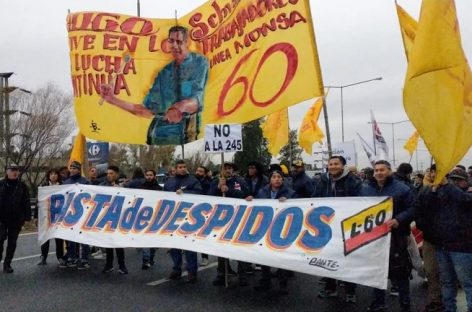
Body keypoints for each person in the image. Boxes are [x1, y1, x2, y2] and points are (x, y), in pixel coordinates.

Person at [100, 25, 209, 145]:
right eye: (171, 41)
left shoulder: (200, 62)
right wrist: (112, 99)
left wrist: (179, 107)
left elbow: (196, 100)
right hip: (158, 141)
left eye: (179, 42)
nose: (174, 46)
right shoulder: (164, 73)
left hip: (189, 138)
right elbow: (145, 110)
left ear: (186, 42)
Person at [360, 160, 415, 312]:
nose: (378, 172)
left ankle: (405, 304)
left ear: (390, 171)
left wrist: (399, 219)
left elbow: (413, 208)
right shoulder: (365, 188)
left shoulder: (402, 189)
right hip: (374, 238)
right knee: (376, 271)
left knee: (401, 272)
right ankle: (378, 302)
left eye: (382, 170)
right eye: (376, 170)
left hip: (396, 237)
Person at [313, 156, 362, 303]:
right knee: (328, 258)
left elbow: (361, 201)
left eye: (336, 164)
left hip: (346, 227)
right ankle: (330, 288)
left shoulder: (353, 182)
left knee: (347, 259)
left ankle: (350, 291)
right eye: (330, 164)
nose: (333, 166)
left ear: (343, 166)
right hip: (327, 227)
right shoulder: (322, 181)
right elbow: (314, 198)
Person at [427, 169, 472, 312]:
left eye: (459, 180)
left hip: (462, 248)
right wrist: (432, 189)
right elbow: (426, 204)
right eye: (453, 179)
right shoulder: (444, 193)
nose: (456, 182)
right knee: (447, 282)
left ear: (466, 181)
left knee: (467, 283)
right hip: (443, 246)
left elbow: (464, 199)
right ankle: (449, 309)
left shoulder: (468, 193)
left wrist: (447, 185)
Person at [253, 169, 296, 295]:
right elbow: (256, 205)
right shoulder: (262, 192)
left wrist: (288, 202)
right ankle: (265, 280)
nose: (277, 179)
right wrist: (250, 200)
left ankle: (283, 283)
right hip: (265, 227)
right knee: (264, 256)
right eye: (274, 177)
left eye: (279, 177)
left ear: (282, 180)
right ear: (270, 180)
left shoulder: (290, 193)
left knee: (281, 256)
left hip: (282, 229)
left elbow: (298, 208)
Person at [209, 162, 251, 287]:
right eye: (225, 169)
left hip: (239, 218)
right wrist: (218, 187)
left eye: (229, 168)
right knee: (221, 248)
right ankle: (222, 273)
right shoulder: (215, 181)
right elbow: (208, 196)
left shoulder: (240, 181)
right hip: (221, 219)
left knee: (240, 247)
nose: (227, 171)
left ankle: (242, 275)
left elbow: (247, 194)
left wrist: (229, 190)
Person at [164, 160, 202, 283]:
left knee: (189, 245)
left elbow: (200, 193)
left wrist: (186, 193)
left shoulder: (192, 180)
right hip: (173, 217)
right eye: (180, 167)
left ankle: (192, 271)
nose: (183, 169)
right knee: (174, 245)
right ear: (175, 169)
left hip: (189, 217)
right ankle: (176, 268)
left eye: (184, 167)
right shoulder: (169, 182)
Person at [0, 164, 31, 273]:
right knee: (0, 239)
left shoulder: (22, 186)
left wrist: (27, 218)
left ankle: (7, 264)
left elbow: (26, 202)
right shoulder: (1, 184)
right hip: (1, 219)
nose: (14, 172)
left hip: (16, 219)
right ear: (7, 171)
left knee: (12, 243)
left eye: (16, 170)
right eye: (12, 170)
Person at [100, 165, 128, 274]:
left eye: (111, 173)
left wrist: (120, 190)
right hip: (107, 217)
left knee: (118, 243)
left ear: (116, 174)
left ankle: (122, 265)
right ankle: (109, 264)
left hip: (119, 217)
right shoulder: (103, 185)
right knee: (108, 243)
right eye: (107, 173)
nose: (109, 175)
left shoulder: (123, 185)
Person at [62, 161, 90, 269]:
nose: (72, 170)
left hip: (83, 213)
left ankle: (84, 259)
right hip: (71, 213)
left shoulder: (85, 182)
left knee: (84, 237)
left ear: (79, 169)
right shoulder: (66, 182)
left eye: (75, 168)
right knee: (71, 237)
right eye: (71, 168)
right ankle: (72, 257)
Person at [36, 168, 65, 267]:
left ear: (58, 176)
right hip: (46, 215)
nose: (53, 176)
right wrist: (37, 217)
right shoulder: (44, 187)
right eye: (51, 174)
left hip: (58, 216)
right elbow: (39, 202)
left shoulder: (63, 187)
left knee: (59, 237)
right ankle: (43, 256)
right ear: (48, 176)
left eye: (55, 174)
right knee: (45, 236)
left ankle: (60, 257)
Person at [139, 169, 162, 270]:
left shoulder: (159, 189)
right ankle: (146, 260)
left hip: (156, 217)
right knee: (145, 239)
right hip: (144, 216)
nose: (149, 177)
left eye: (151, 175)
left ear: (154, 176)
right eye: (147, 175)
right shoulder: (141, 188)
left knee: (154, 241)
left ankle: (151, 257)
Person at [194, 165, 212, 266]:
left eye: (200, 171)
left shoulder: (207, 183)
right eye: (197, 171)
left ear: (204, 174)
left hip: (205, 212)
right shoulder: (193, 181)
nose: (198, 173)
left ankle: (205, 257)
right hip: (195, 212)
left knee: (202, 235)